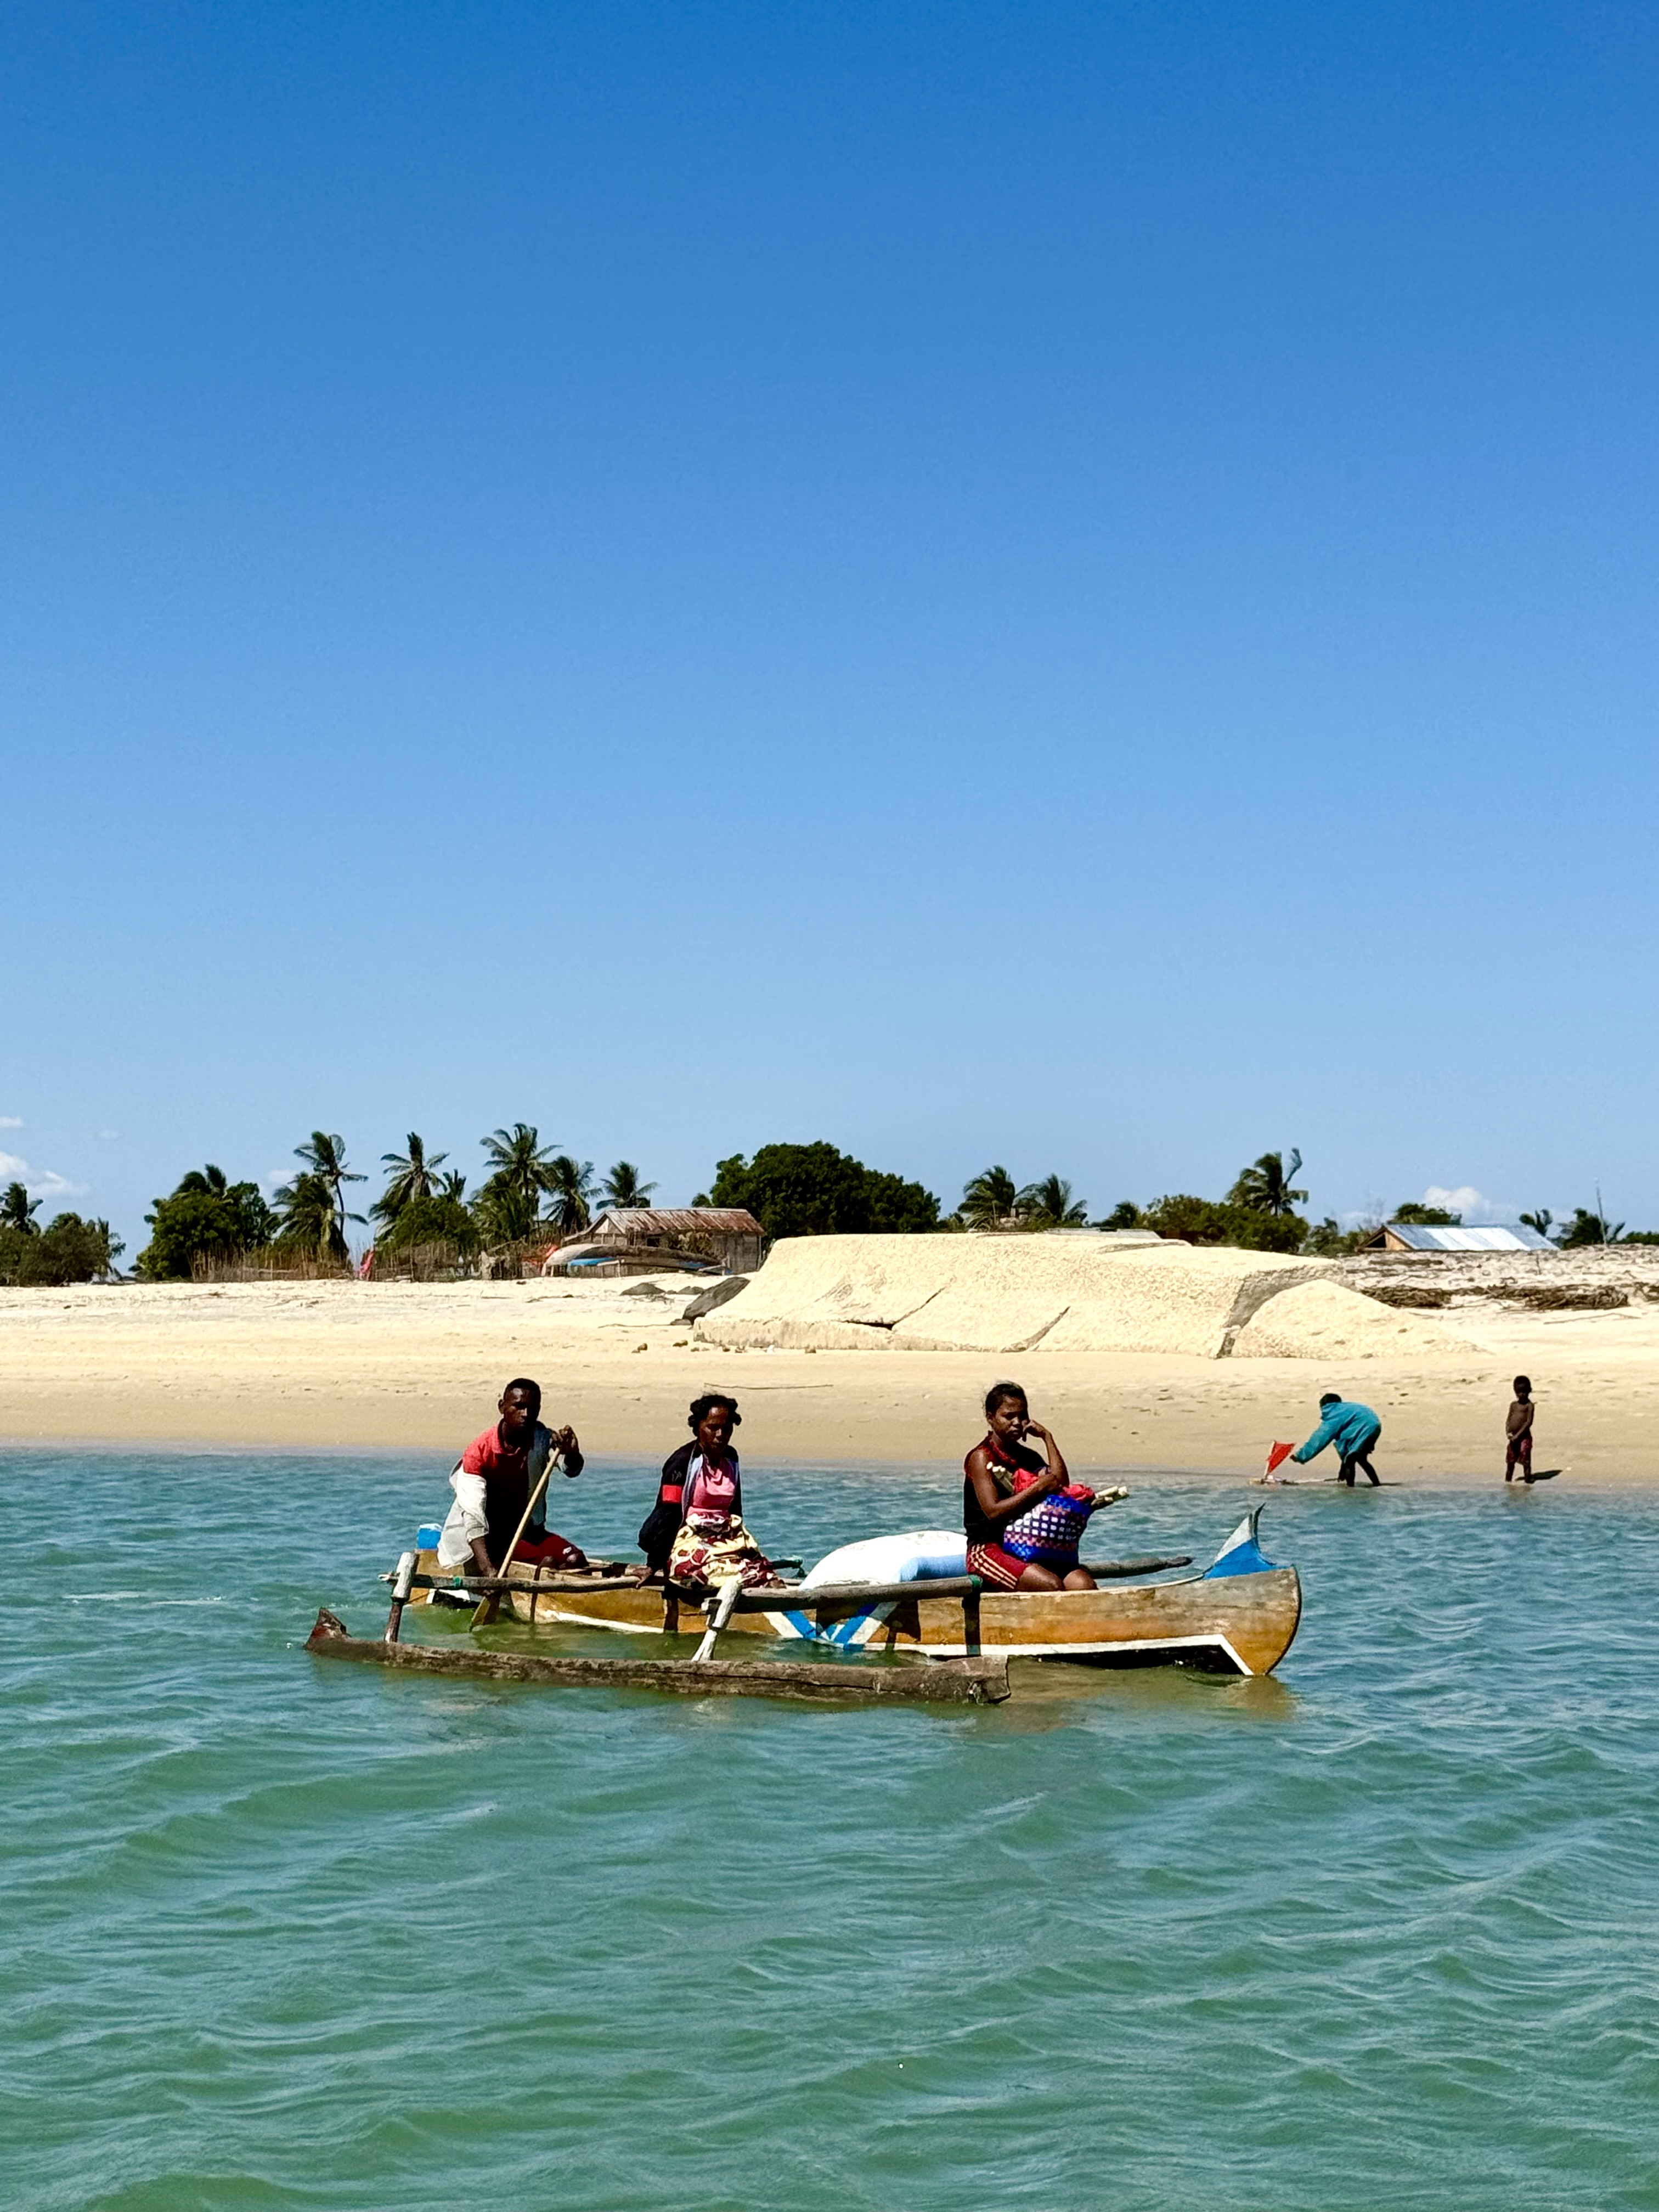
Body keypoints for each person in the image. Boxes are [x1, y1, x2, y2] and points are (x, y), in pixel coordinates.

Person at [963, 1382, 1124, 1592]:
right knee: (1051, 1585)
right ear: (991, 1417)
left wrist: (1048, 1438)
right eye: (1009, 1416)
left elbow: (1060, 1485)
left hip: (1029, 1546)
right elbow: (994, 1512)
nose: (1017, 1423)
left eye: (1022, 1416)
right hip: (987, 1550)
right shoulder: (982, 1457)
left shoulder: (1028, 1457)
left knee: (1082, 1584)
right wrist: (1039, 1487)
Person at [436, 1378, 587, 1577]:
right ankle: (538, 1575)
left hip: (528, 1530)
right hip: (489, 1538)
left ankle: (543, 1578)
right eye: (519, 1407)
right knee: (548, 1563)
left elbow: (570, 1469)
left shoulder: (542, 1438)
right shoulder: (479, 1453)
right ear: (502, 1407)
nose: (526, 1414)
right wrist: (487, 1569)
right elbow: (473, 1520)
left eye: (532, 1409)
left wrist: (572, 1453)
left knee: (575, 1560)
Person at [638, 1392, 782, 1591]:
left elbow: (735, 1510)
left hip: (725, 1538)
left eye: (727, 1428)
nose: (720, 1435)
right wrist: (654, 1564)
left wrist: (741, 1546)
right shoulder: (682, 1462)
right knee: (707, 1574)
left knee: (766, 1575)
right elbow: (667, 1512)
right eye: (713, 1428)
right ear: (698, 1427)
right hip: (689, 1540)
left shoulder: (731, 1458)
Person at [1291, 1391, 1382, 1486]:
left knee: (1350, 1460)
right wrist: (1342, 1473)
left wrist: (1301, 1456)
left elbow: (1319, 1439)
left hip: (1364, 1429)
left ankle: (1350, 1490)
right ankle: (1377, 1485)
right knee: (1360, 1458)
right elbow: (1346, 1450)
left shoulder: (1334, 1414)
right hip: (1375, 1427)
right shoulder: (1347, 1408)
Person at [1505, 1375, 1536, 1482]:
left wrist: (1518, 1435)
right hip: (1513, 1437)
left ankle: (1528, 1480)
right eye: (1519, 1392)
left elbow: (1529, 1422)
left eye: (1524, 1392)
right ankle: (1508, 1481)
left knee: (1526, 1458)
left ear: (1529, 1391)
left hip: (1524, 1437)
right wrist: (1508, 1432)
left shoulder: (1529, 1405)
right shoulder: (1513, 1405)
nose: (1521, 1395)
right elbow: (1509, 1419)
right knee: (1511, 1460)